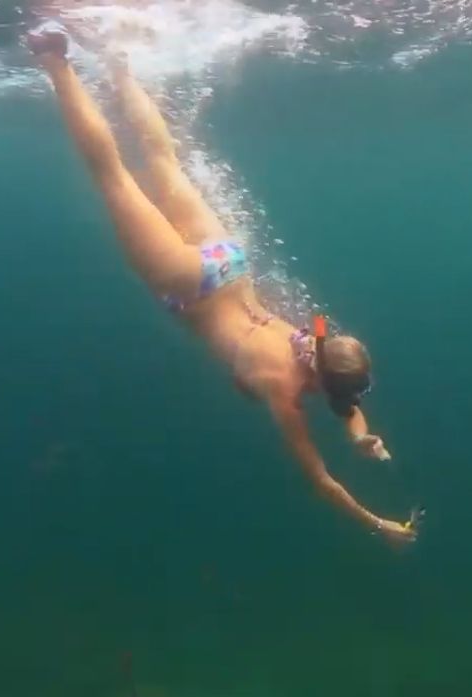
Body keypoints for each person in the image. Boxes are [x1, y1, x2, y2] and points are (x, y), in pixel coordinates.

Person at [25, 21, 416, 545]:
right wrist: (379, 525)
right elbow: (321, 480)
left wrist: (362, 436)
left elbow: (345, 395)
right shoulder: (282, 390)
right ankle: (55, 58)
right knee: (112, 175)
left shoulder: (318, 333)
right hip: (190, 284)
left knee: (163, 160)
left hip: (228, 260)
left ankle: (119, 65)